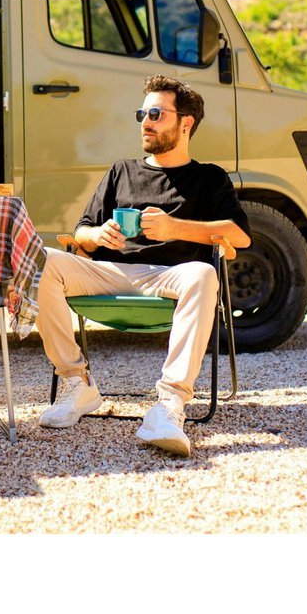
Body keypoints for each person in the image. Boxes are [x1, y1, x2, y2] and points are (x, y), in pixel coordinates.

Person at [35, 74, 252, 457]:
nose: (145, 122)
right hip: (111, 273)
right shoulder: (121, 171)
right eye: (142, 114)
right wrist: (97, 234)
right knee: (43, 260)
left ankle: (170, 404)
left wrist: (174, 228)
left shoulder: (209, 178)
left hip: (171, 278)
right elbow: (81, 231)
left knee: (205, 273)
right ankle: (76, 383)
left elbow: (240, 235)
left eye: (156, 114)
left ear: (185, 123)